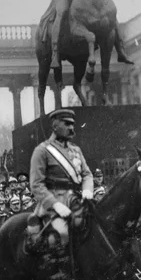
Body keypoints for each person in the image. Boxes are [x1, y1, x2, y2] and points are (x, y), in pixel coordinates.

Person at [28, 108, 93, 257]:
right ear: (55, 126)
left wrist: (87, 190)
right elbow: (36, 184)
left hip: (76, 198)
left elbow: (87, 174)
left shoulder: (76, 150)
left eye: (72, 124)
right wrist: (55, 205)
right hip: (54, 200)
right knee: (60, 234)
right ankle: (58, 271)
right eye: (67, 124)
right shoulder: (42, 151)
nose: (71, 128)